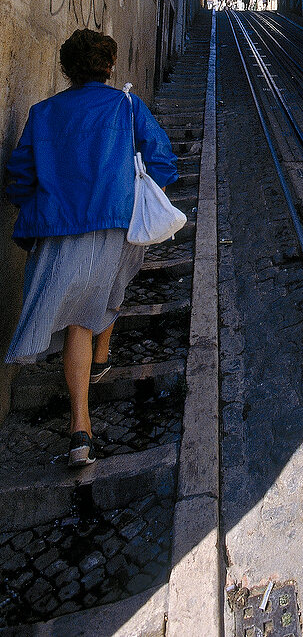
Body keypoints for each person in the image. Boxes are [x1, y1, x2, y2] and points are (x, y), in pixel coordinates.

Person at [4, 28, 177, 468]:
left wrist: (40, 208)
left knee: (81, 318)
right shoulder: (125, 104)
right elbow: (160, 157)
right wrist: (141, 189)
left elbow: (19, 177)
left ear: (67, 69)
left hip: (60, 227)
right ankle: (101, 356)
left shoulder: (43, 113)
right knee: (108, 291)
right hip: (116, 222)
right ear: (109, 67)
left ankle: (80, 426)